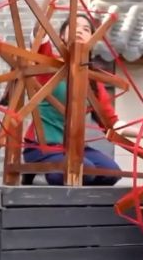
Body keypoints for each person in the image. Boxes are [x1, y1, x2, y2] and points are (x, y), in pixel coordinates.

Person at [21, 14, 122, 186]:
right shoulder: (49, 64)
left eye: (86, 29)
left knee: (111, 172)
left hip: (75, 150)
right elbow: (39, 34)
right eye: (75, 26)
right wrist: (49, 1)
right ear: (62, 35)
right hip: (42, 147)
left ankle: (61, 177)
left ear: (92, 39)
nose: (80, 31)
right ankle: (42, 177)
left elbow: (111, 122)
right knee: (81, 170)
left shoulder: (93, 81)